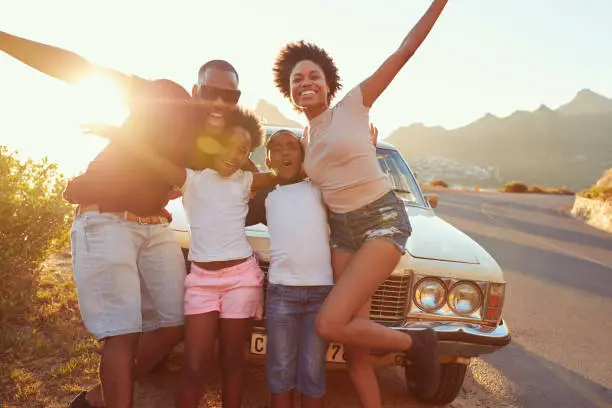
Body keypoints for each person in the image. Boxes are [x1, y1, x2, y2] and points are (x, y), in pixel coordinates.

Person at [0, 30, 249, 407]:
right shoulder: (166, 95)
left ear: (237, 99)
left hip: (154, 225)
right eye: (210, 92)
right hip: (105, 218)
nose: (218, 101)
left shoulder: (214, 143)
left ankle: (98, 399)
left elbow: (251, 171)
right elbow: (81, 69)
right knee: (123, 333)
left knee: (172, 324)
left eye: (228, 95)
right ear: (194, 92)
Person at [271, 1, 448, 407]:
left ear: (328, 83)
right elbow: (285, 175)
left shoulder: (353, 104)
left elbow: (404, 50)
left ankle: (417, 342)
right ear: (290, 90)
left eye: (313, 75)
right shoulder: (303, 140)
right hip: (342, 234)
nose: (305, 82)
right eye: (297, 79)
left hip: (382, 221)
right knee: (356, 347)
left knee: (330, 322)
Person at [246, 130, 333, 408]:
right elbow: (231, 210)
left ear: (303, 154)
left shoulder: (319, 189)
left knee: (312, 369)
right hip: (282, 294)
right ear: (268, 157)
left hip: (321, 293)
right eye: (277, 148)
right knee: (280, 368)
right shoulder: (265, 196)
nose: (285, 153)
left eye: (292, 147)